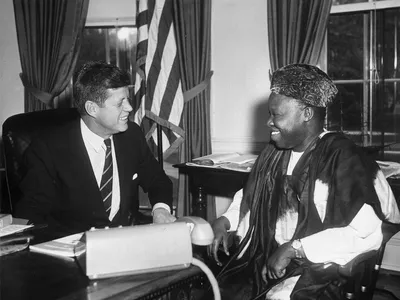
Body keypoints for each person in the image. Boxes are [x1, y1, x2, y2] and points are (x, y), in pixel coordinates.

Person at [209, 64, 400, 300]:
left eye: (276, 114)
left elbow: (366, 234)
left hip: (323, 270)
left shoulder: (343, 159)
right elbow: (251, 197)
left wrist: (296, 248)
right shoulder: (274, 153)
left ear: (307, 114)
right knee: (222, 289)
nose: (269, 122)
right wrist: (226, 220)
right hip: (268, 258)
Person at [15, 61, 176, 237]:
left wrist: (160, 210)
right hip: (72, 251)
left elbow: (157, 180)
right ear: (92, 108)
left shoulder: (131, 135)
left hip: (124, 243)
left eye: (127, 99)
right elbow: (32, 211)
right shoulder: (48, 148)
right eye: (120, 103)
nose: (129, 108)